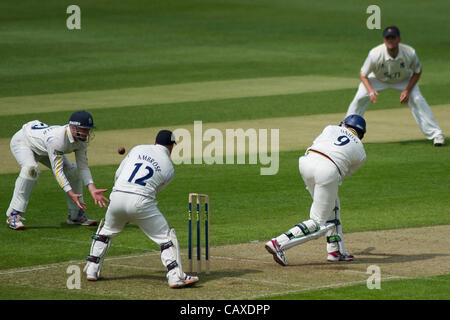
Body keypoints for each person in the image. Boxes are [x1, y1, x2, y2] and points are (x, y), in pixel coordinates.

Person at [84, 130, 199, 288]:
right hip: (141, 201)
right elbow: (155, 191)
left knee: (106, 232)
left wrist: (119, 194)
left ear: (155, 142)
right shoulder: (169, 168)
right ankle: (175, 276)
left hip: (117, 195)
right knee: (165, 238)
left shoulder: (137, 149)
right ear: (171, 147)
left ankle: (92, 270)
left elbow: (118, 174)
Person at [265, 115, 367, 265]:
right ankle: (278, 243)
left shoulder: (331, 128)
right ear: (361, 134)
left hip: (306, 163)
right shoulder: (361, 152)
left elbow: (314, 144)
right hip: (328, 170)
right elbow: (343, 174)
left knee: (333, 205)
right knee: (318, 222)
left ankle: (335, 251)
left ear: (344, 124)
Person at [6, 110, 109, 230]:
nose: (86, 133)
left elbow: (83, 167)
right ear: (73, 127)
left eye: (88, 129)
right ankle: (14, 214)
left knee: (73, 170)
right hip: (24, 142)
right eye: (83, 129)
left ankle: (75, 215)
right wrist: (71, 193)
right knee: (31, 170)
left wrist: (92, 189)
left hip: (45, 148)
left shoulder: (81, 140)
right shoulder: (57, 140)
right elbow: (58, 171)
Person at [346, 26, 445, 146]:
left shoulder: (410, 52)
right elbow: (363, 74)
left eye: (393, 38)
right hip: (377, 79)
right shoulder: (375, 54)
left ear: (399, 39)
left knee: (418, 99)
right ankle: (346, 132)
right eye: (388, 38)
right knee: (359, 98)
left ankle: (437, 135)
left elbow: (417, 71)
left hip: (403, 79)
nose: (390, 40)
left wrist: (407, 90)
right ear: (384, 40)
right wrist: (370, 91)